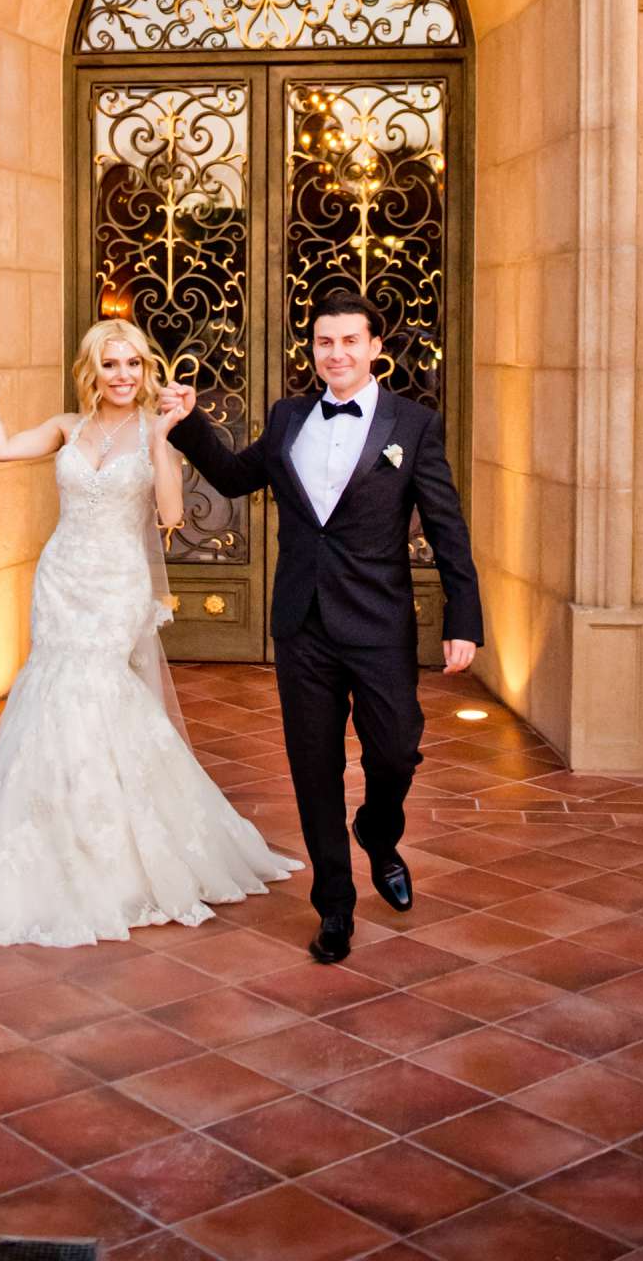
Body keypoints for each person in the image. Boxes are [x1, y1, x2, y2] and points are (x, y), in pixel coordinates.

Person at [0, 317, 299, 947]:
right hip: (61, 578)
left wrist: (162, 439)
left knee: (99, 693)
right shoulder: (65, 428)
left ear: (146, 368)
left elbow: (168, 514)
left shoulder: (156, 431)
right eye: (111, 365)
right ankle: (54, 841)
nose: (124, 376)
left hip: (115, 585)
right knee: (51, 696)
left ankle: (118, 850)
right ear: (92, 371)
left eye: (133, 364)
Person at [159, 282, 481, 965]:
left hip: (379, 620)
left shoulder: (413, 425)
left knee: (396, 749)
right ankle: (335, 907)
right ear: (312, 349)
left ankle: (379, 829)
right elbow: (231, 476)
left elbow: (448, 529)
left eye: (349, 342)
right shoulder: (286, 418)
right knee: (314, 769)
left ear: (375, 350)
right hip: (301, 621)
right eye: (324, 342)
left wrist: (465, 618)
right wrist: (188, 422)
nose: (336, 354)